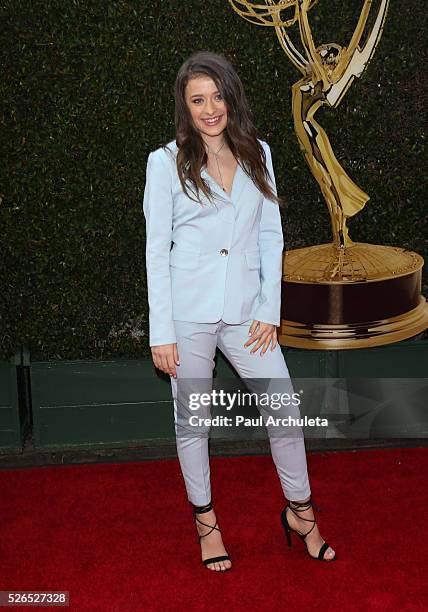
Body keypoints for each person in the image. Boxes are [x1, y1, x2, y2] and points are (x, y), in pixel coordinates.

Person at [142, 50, 336, 572]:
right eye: (197, 100)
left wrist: (268, 310)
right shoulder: (165, 163)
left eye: (217, 96)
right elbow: (156, 250)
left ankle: (302, 514)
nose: (210, 109)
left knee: (285, 413)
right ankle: (206, 524)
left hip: (248, 313)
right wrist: (162, 331)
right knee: (193, 423)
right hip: (188, 316)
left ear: (231, 97)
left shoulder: (259, 154)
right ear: (185, 108)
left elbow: (271, 237)